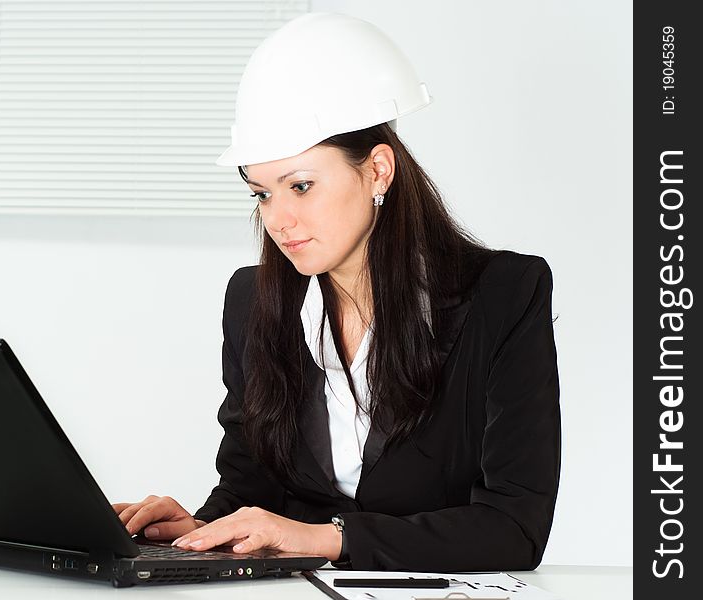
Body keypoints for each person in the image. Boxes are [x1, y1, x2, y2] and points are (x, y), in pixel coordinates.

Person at [112, 12, 561, 572]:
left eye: (301, 186)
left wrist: (323, 538)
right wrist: (203, 528)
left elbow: (514, 529)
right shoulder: (254, 301)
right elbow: (253, 483)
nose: (279, 220)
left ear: (377, 171)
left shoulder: (502, 296)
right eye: (262, 195)